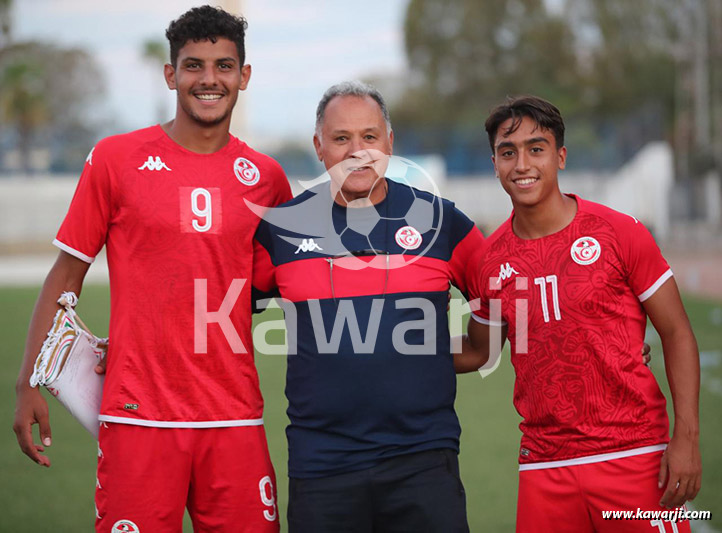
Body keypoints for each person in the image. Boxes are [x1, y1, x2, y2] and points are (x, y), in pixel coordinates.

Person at [13, 6, 291, 532]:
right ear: (171, 74)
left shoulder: (268, 179)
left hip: (233, 417)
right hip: (136, 414)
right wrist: (28, 382)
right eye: (194, 65)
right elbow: (64, 276)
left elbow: (270, 284)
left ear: (244, 76)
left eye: (224, 65)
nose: (209, 79)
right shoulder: (116, 160)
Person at [457, 95, 702, 532]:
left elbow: (677, 332)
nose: (522, 164)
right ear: (494, 163)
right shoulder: (489, 260)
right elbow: (480, 350)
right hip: (544, 464)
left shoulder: (618, 231)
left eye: (537, 148)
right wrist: (395, 349)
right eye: (507, 152)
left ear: (561, 156)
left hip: (633, 454)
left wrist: (685, 437)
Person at [252, 81, 484, 532]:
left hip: (424, 462)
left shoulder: (443, 222)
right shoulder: (280, 230)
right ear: (319, 147)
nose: (358, 151)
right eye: (341, 138)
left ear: (390, 143)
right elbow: (213, 304)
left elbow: (503, 293)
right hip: (321, 467)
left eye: (370, 137)